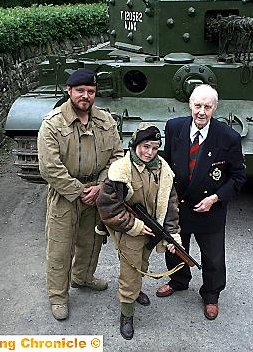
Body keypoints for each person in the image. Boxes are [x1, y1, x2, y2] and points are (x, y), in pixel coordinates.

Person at [37, 68, 124, 320]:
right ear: (69, 91)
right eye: (80, 91)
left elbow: (117, 157)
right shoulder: (52, 124)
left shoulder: (105, 121)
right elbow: (49, 168)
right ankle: (58, 296)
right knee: (60, 247)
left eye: (91, 91)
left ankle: (83, 277)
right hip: (65, 195)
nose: (85, 96)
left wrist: (100, 187)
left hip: (97, 192)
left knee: (91, 240)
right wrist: (79, 190)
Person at [155, 84, 246, 320]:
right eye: (198, 106)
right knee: (175, 248)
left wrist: (215, 198)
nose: (202, 112)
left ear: (215, 107)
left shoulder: (228, 137)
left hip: (210, 208)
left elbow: (238, 176)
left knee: (213, 257)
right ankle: (178, 280)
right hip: (179, 205)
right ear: (190, 105)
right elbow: (166, 164)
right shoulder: (174, 127)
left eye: (207, 106)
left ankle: (211, 295)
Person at [96, 123, 181, 340]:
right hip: (131, 231)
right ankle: (126, 314)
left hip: (153, 230)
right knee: (130, 272)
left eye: (154, 147)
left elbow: (170, 205)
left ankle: (135, 292)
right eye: (145, 146)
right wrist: (134, 225)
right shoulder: (120, 171)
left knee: (143, 265)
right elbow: (108, 208)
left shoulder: (163, 170)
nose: (149, 152)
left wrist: (173, 235)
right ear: (135, 145)